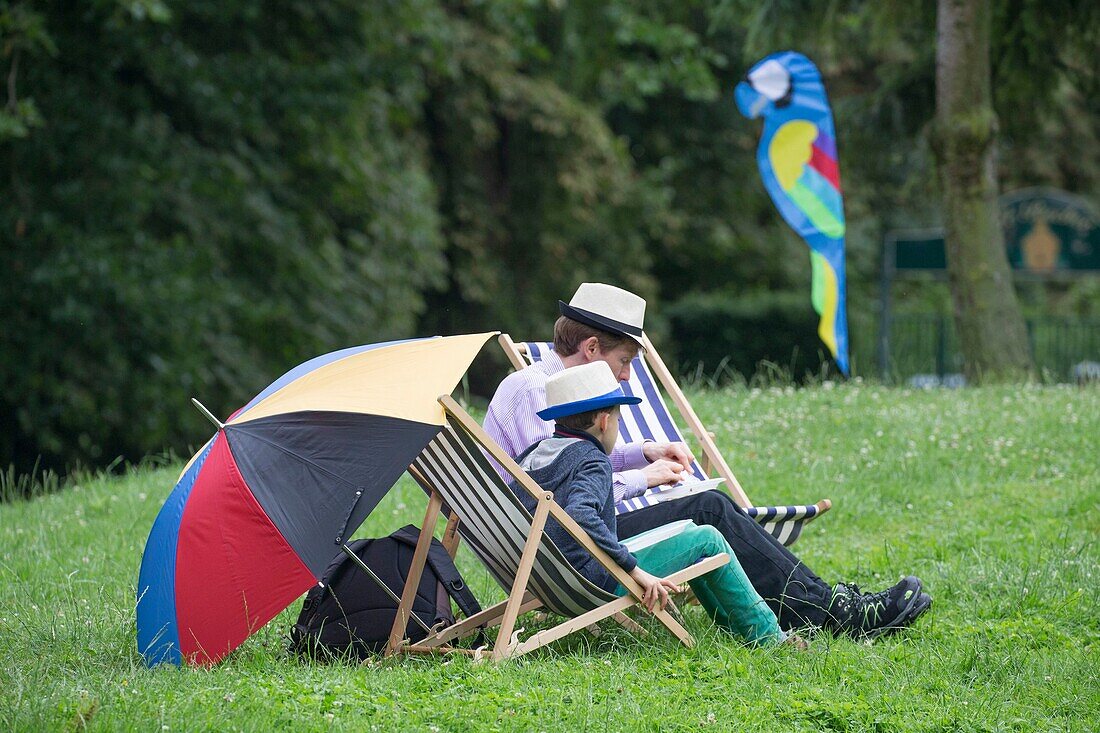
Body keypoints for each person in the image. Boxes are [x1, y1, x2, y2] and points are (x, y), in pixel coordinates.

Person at [484, 282, 931, 638]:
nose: (624, 376)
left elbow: (568, 456)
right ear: (593, 348)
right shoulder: (533, 390)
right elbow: (555, 496)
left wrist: (644, 452)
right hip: (566, 550)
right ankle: (828, 611)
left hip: (553, 545)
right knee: (707, 507)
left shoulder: (550, 390)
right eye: (624, 362)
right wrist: (643, 478)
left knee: (703, 503)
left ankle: (806, 604)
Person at [511, 360, 790, 646]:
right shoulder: (591, 459)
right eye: (618, 420)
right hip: (594, 580)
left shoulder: (536, 453)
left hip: (549, 579)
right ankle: (770, 638)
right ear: (604, 421)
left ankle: (740, 628)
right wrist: (634, 570)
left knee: (686, 533)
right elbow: (580, 514)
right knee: (707, 539)